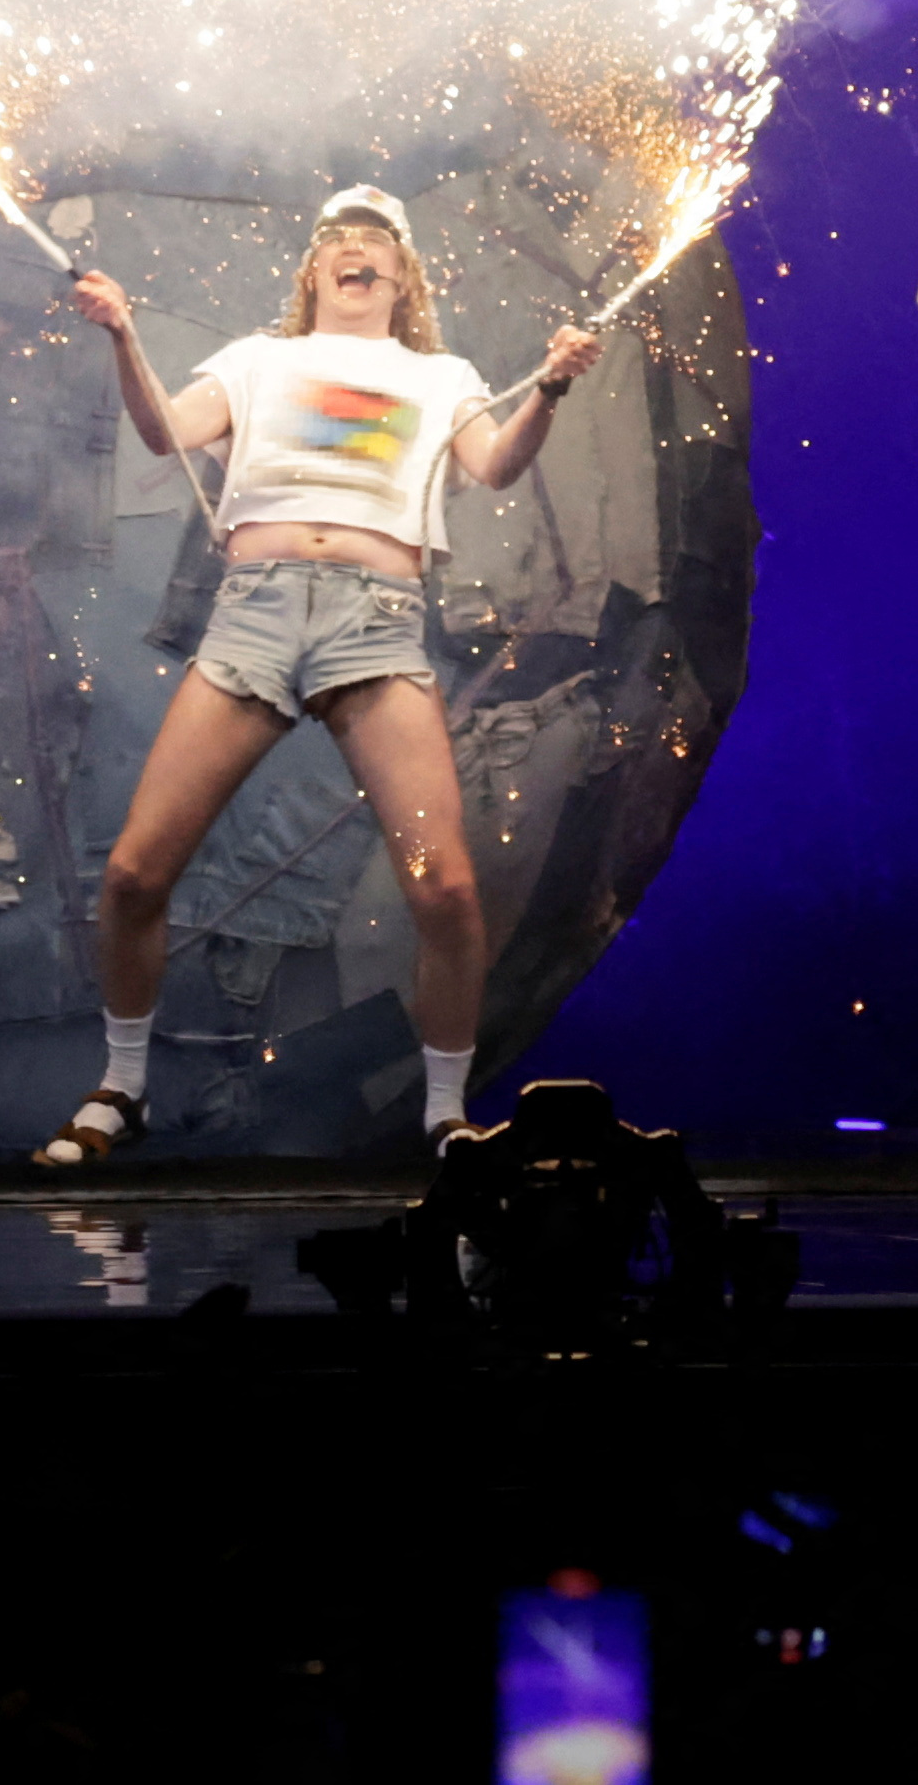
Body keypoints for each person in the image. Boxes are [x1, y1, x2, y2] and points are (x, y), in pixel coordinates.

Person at [36, 187, 601, 1164]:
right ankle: (120, 1090)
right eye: (339, 238)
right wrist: (123, 334)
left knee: (448, 892)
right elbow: (166, 431)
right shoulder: (260, 361)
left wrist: (549, 386)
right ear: (317, 271)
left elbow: (496, 464)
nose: (357, 249)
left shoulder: (440, 375)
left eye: (377, 241)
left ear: (402, 274)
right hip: (255, 612)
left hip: (374, 626)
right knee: (133, 875)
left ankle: (442, 1114)